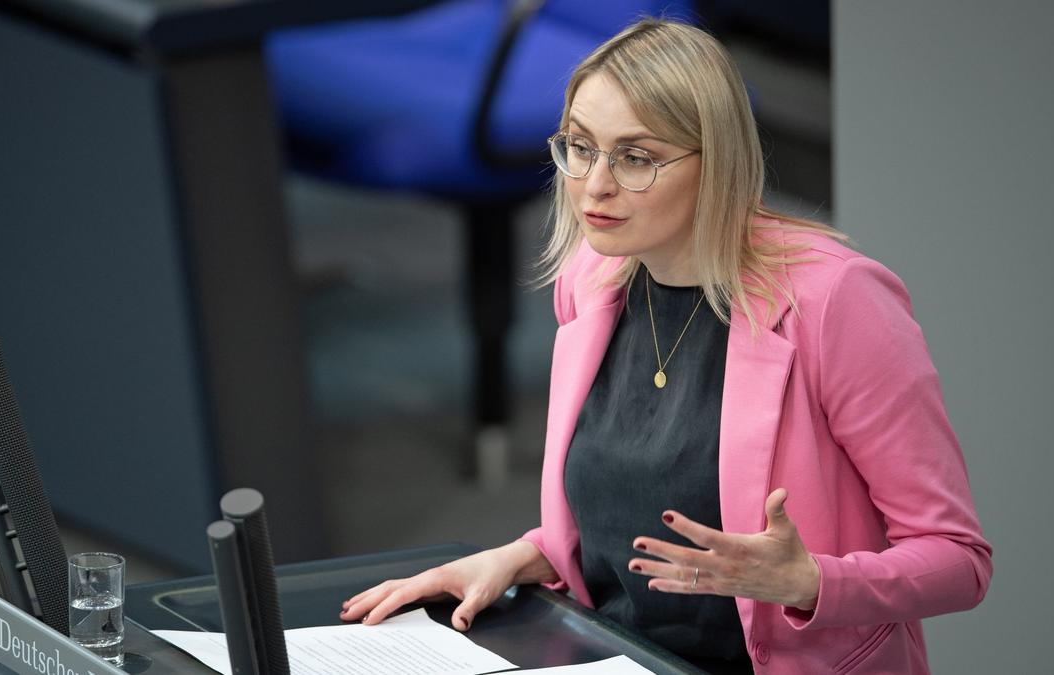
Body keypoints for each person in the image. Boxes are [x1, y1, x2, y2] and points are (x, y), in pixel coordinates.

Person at [339, 19, 992, 675]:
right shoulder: (591, 277)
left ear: (718, 162)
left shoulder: (837, 300)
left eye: (635, 158)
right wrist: (523, 556)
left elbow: (959, 559)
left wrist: (809, 583)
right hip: (615, 655)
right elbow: (627, 511)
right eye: (580, 147)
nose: (594, 185)